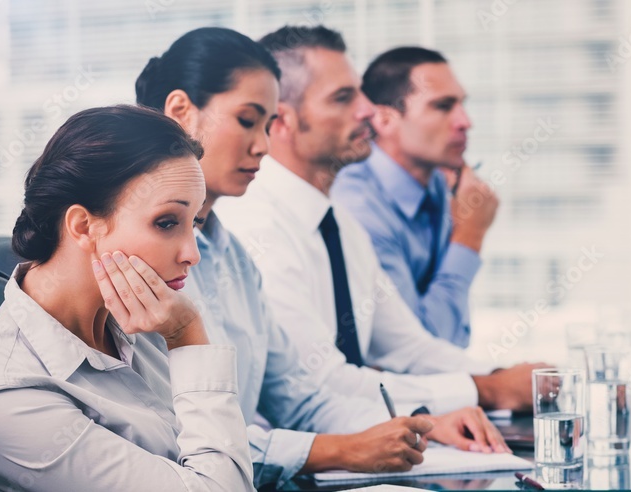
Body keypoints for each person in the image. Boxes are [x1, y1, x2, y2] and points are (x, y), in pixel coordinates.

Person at [135, 27, 509, 488]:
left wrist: (422, 420)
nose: (263, 146)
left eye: (266, 124)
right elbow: (170, 437)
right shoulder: (142, 257)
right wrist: (342, 449)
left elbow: (302, 396)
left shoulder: (234, 257)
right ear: (181, 112)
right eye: (248, 121)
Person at [215, 25, 541, 420]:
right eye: (342, 97)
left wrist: (508, 377)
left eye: (361, 94)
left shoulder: (339, 224)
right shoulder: (256, 226)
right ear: (281, 121)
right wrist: (485, 390)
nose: (368, 111)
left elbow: (408, 346)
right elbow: (321, 384)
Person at [0, 105, 255, 490]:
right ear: (83, 226)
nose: (191, 253)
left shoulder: (141, 315)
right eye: (166, 223)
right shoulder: (11, 401)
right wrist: (187, 336)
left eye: (193, 222)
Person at [331, 46, 499, 348]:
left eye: (461, 104)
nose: (465, 121)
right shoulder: (358, 207)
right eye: (443, 106)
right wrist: (470, 235)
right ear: (383, 121)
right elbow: (421, 347)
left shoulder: (439, 184)